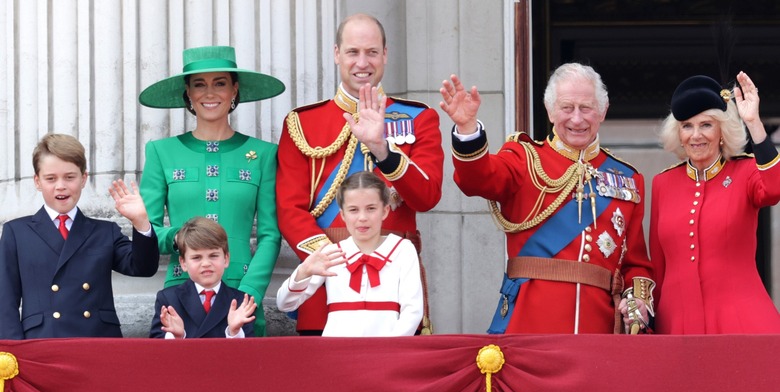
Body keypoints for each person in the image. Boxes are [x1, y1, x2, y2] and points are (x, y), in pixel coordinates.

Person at [439, 63, 655, 334]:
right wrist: (468, 130)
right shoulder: (523, 158)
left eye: (586, 108)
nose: (577, 119)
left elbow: (636, 264)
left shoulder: (627, 179)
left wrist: (638, 301)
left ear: (603, 111)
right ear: (550, 110)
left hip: (597, 329)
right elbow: (477, 179)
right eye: (567, 108)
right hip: (530, 325)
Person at [276, 13, 443, 335]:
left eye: (372, 52)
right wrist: (331, 261)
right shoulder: (302, 123)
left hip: (394, 279)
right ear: (337, 54)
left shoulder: (419, 118)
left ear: (385, 54)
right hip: (327, 282)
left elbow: (427, 196)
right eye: (353, 52)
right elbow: (288, 209)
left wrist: (383, 150)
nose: (362, 62)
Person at [138, 45, 284, 336]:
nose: (209, 93)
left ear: (234, 90)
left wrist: (248, 292)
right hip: (181, 294)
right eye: (199, 84)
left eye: (220, 83)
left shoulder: (264, 154)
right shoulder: (161, 152)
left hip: (242, 298)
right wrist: (179, 236)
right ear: (188, 93)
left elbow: (270, 235)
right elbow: (147, 231)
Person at [650, 72, 780, 334]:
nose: (696, 135)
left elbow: (774, 189)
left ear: (722, 130)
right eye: (687, 126)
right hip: (678, 326)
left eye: (706, 125)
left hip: (742, 322)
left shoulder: (744, 173)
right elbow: (658, 267)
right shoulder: (663, 184)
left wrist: (753, 122)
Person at [0, 133, 160, 339]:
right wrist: (12, 353)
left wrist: (140, 222)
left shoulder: (105, 231)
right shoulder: (17, 231)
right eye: (50, 178)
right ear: (37, 181)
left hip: (97, 341)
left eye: (70, 177)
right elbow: (5, 299)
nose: (61, 186)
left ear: (83, 179)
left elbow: (143, 268)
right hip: (42, 342)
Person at [277, 171, 423, 336]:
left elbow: (413, 311)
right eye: (353, 210)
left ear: (385, 211)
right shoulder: (331, 253)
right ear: (343, 215)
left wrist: (388, 350)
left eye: (371, 209)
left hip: (387, 353)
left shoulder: (403, 250)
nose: (362, 217)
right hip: (337, 354)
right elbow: (285, 304)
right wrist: (303, 271)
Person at [150, 217, 257, 338]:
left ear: (226, 259)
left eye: (213, 256)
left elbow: (249, 353)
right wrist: (177, 337)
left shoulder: (241, 302)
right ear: (183, 263)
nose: (206, 263)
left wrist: (234, 332)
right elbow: (155, 350)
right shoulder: (169, 299)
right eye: (196, 257)